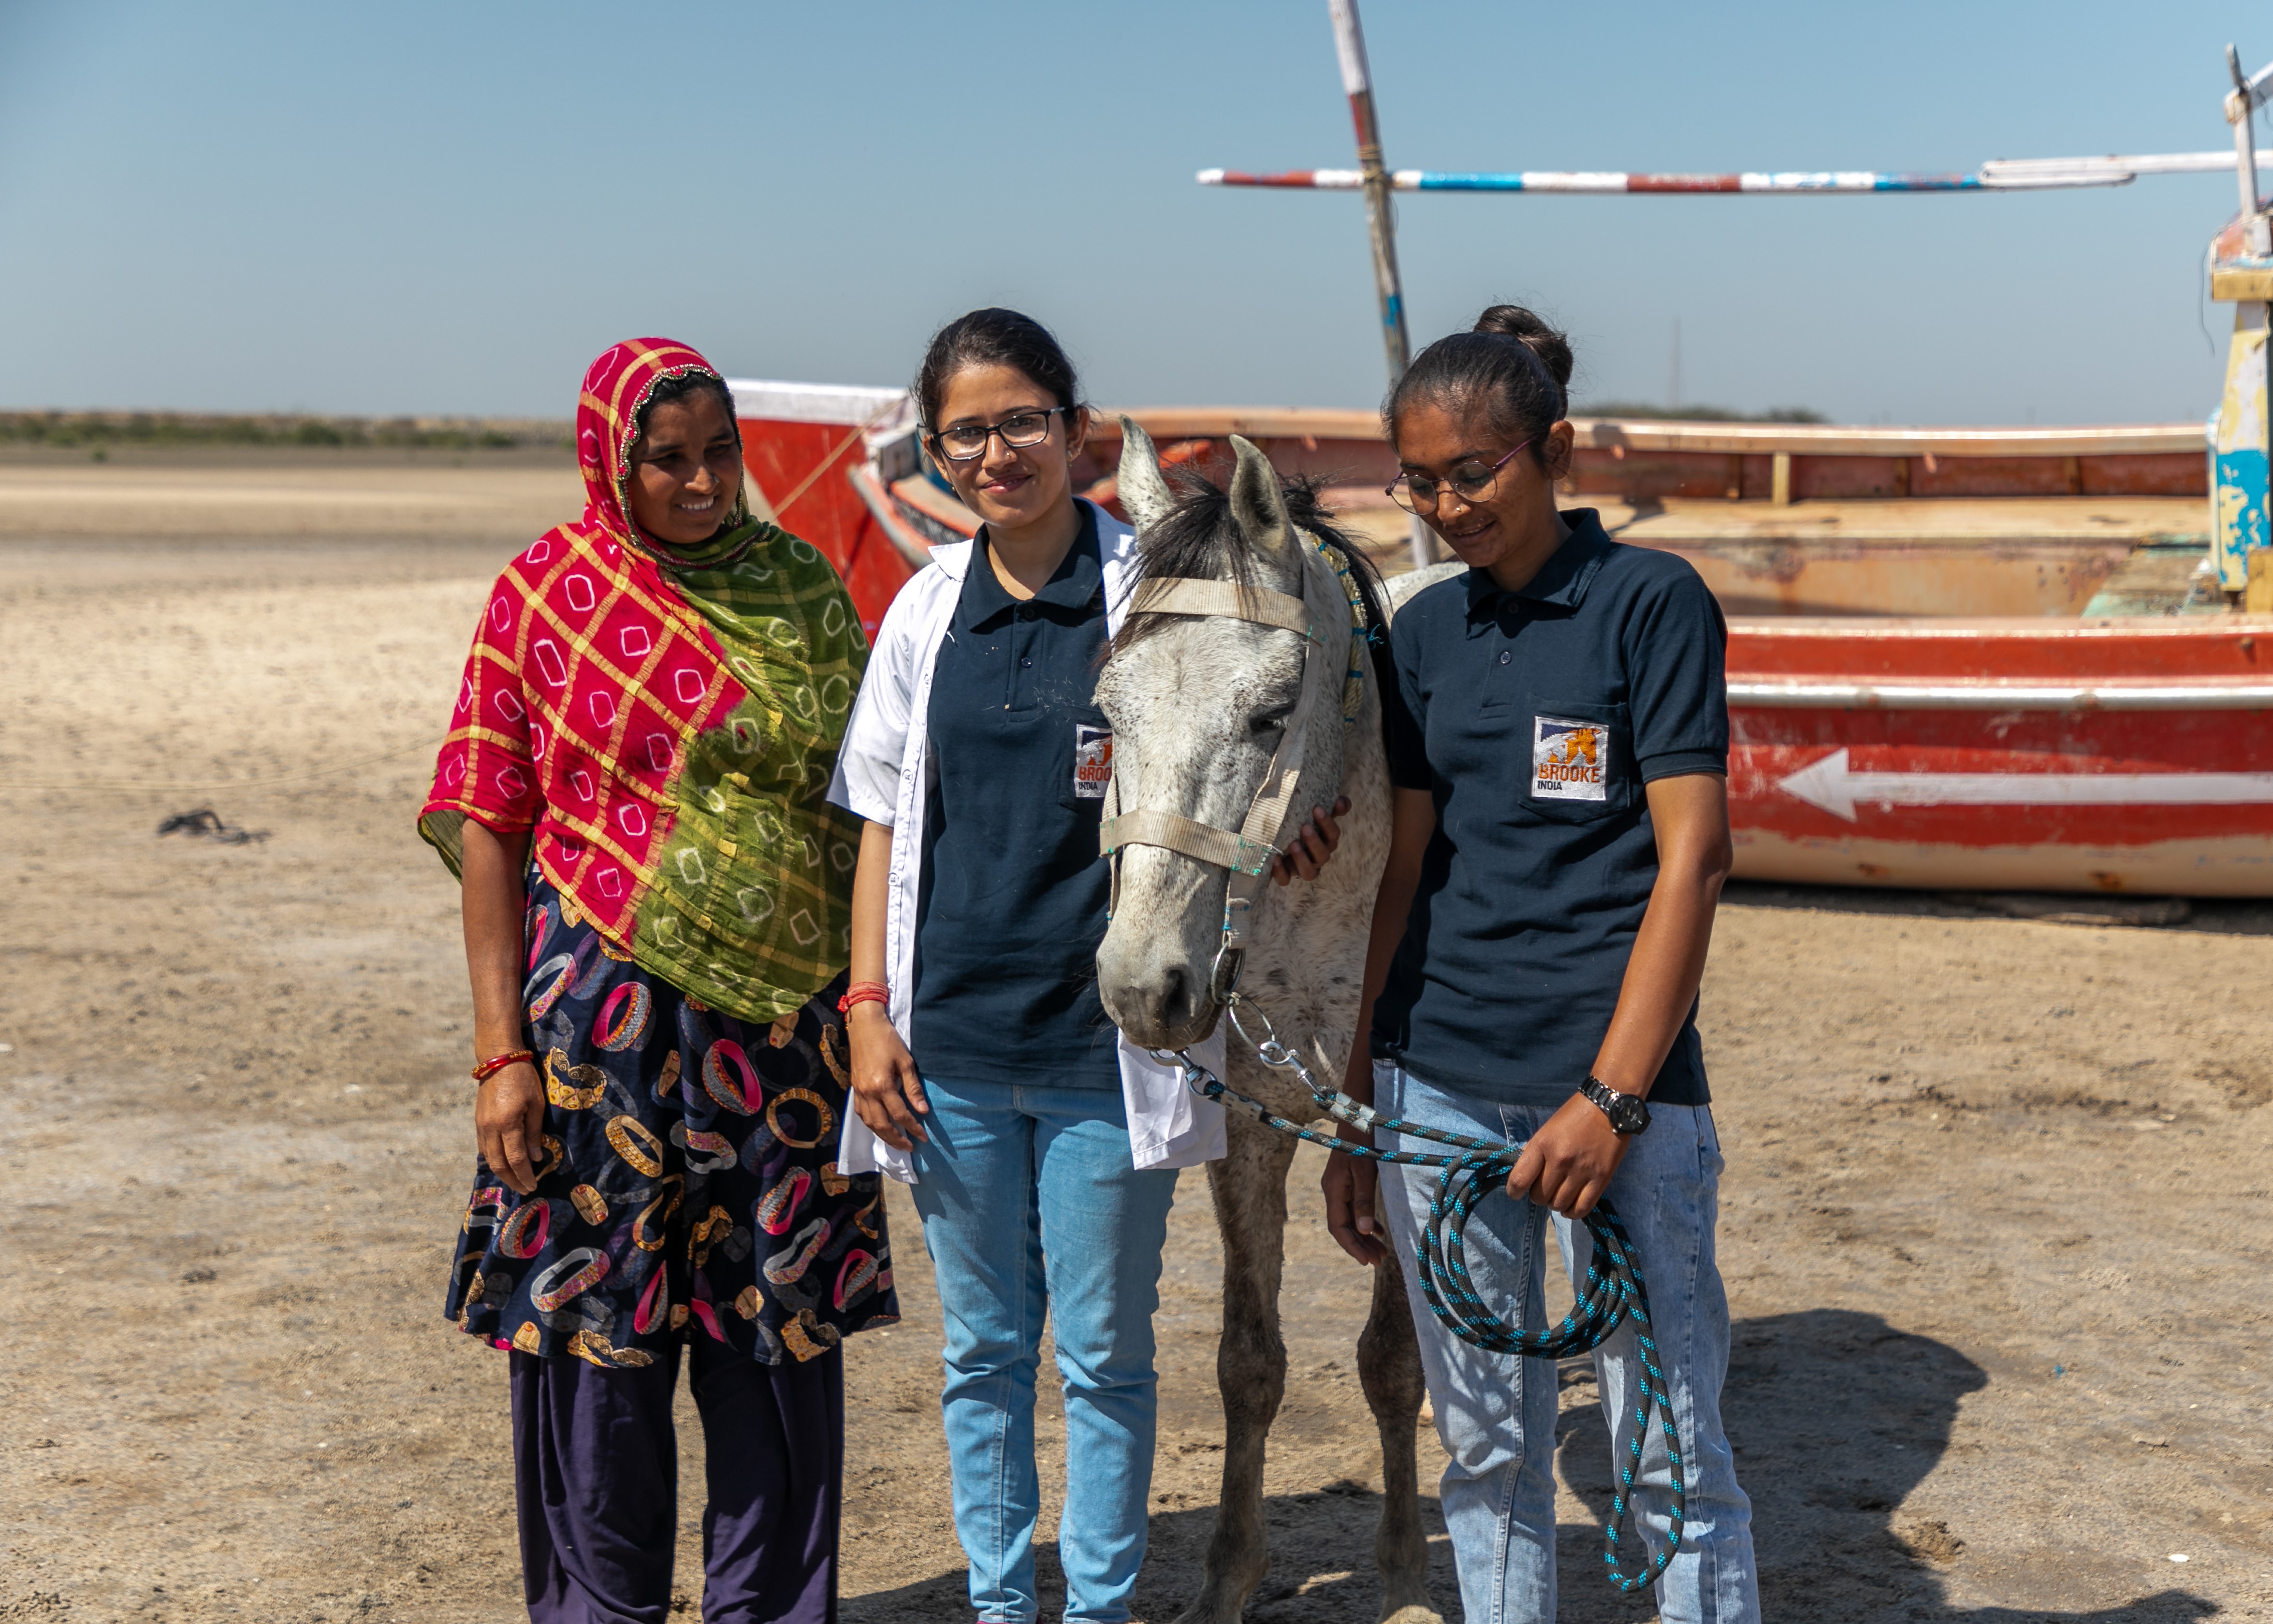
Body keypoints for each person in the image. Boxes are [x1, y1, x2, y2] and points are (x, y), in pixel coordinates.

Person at [830, 308, 1342, 1624]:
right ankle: (1007, 1608)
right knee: (985, 1355)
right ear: (936, 455)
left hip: (1105, 1043)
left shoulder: (1150, 593)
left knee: (1106, 1358)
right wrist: (869, 1009)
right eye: (966, 433)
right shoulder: (923, 611)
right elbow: (884, 818)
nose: (997, 452)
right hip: (948, 1042)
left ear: (1073, 431)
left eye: (1021, 422)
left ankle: (1101, 1608)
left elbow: (1251, 733)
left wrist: (1296, 823)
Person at [421, 337, 897, 1624]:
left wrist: (868, 1011)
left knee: (777, 1351)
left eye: (719, 455)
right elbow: (487, 826)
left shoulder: (802, 590)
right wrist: (499, 1055)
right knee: (594, 1356)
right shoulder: (542, 594)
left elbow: (875, 814)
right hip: (595, 1041)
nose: (700, 483)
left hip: (783, 1043)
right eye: (667, 459)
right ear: (607, 461)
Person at [1322, 305, 1761, 1623]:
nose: (1447, 505)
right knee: (1493, 1455)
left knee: (1670, 1453)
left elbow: (1696, 861)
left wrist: (1613, 1098)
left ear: (1553, 450)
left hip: (1626, 1104)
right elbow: (1401, 876)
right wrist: (1357, 1115)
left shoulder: (1653, 604)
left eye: (1475, 472)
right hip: (1437, 1087)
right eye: (1420, 480)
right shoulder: (1425, 637)